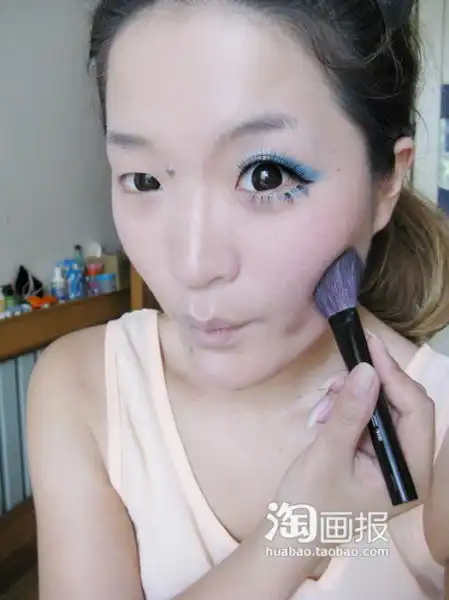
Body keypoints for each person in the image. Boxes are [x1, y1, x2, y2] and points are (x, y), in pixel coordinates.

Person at [27, 1, 449, 598]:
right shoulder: (88, 389)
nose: (193, 265)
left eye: (265, 176)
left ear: (387, 182)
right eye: (144, 179)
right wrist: (297, 536)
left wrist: (419, 553)